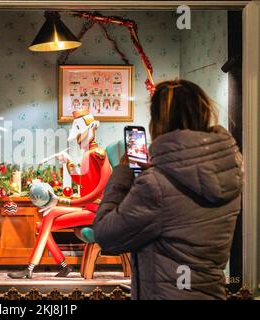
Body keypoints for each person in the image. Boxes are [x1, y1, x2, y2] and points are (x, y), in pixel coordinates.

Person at [93, 80, 243, 300]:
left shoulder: (155, 185)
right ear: (203, 113)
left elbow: (106, 235)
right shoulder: (227, 173)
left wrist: (122, 173)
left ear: (158, 121)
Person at [8, 109, 112, 279]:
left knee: (46, 222)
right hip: (89, 209)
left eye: (80, 134)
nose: (78, 139)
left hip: (98, 212)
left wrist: (64, 201)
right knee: (44, 223)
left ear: (92, 128)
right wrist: (68, 162)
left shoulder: (98, 154)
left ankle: (30, 268)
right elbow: (82, 181)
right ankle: (62, 266)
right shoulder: (87, 154)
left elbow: (99, 191)